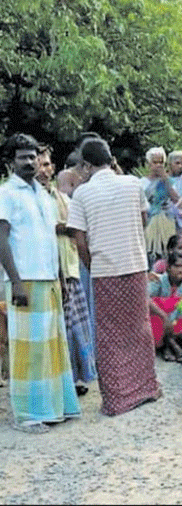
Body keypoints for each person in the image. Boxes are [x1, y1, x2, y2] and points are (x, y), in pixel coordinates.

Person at [67, 136, 161, 416]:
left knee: (108, 334)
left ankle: (117, 399)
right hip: (134, 266)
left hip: (105, 271)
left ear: (85, 165)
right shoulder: (133, 184)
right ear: (111, 160)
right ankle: (146, 388)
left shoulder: (82, 193)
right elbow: (142, 219)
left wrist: (91, 266)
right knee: (138, 329)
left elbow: (79, 240)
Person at [0, 134, 80, 433]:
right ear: (10, 162)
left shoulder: (45, 196)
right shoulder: (7, 194)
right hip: (25, 280)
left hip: (48, 279)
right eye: (23, 156)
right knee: (29, 350)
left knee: (52, 346)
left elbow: (49, 240)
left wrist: (59, 275)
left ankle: (56, 406)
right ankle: (28, 414)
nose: (30, 161)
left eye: (33, 156)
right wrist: (16, 282)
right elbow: (1, 239)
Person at [36, 145, 96, 396]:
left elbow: (76, 227)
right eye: (40, 164)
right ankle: (53, 382)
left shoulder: (61, 197)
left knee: (74, 326)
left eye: (47, 164)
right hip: (45, 269)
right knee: (52, 327)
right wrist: (62, 227)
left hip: (69, 265)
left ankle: (73, 379)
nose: (44, 169)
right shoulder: (31, 198)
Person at [148, 250, 182, 363]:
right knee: (154, 303)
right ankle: (172, 347)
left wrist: (171, 320)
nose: (180, 270)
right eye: (176, 266)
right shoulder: (159, 280)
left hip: (176, 325)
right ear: (168, 268)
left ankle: (168, 345)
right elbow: (145, 298)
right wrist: (163, 316)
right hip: (160, 322)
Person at [139, 147, 179, 263]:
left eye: (161, 162)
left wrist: (165, 178)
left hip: (166, 221)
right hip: (148, 220)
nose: (158, 165)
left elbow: (176, 199)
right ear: (148, 164)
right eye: (155, 162)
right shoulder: (141, 182)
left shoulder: (169, 181)